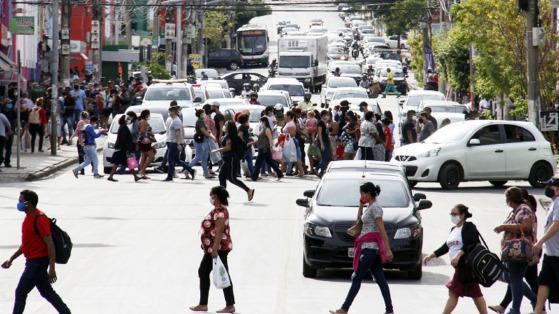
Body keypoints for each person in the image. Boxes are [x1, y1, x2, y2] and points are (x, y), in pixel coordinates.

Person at [1, 190, 72, 314]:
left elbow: (50, 244)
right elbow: (27, 244)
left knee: (21, 291)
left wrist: (52, 268)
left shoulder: (39, 218)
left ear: (28, 203)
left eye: (21, 201)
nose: (19, 203)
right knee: (47, 292)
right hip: (32, 261)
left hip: (37, 263)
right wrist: (12, 258)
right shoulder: (28, 217)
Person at [330, 182, 394, 314]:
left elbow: (381, 230)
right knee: (381, 280)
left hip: (370, 249)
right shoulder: (370, 207)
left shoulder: (376, 208)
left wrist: (387, 249)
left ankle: (344, 308)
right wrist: (360, 204)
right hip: (368, 248)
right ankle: (390, 310)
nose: (361, 196)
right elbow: (359, 221)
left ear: (368, 194)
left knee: (357, 277)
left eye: (362, 193)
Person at [424, 204, 488, 314]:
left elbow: (471, 244)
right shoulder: (454, 229)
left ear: (462, 215)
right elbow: (446, 246)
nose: (452, 216)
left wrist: (458, 255)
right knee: (474, 293)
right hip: (460, 267)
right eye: (451, 214)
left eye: (455, 214)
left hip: (467, 266)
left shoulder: (468, 227)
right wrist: (432, 255)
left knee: (455, 292)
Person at [190, 186, 236, 314]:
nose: (211, 199)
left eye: (213, 196)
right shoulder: (217, 210)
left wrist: (215, 247)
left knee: (221, 274)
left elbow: (220, 230)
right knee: (204, 272)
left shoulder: (220, 211)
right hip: (212, 249)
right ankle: (203, 304)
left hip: (218, 249)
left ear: (218, 197)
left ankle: (229, 305)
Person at [494, 187, 537, 314]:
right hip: (512, 252)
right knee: (513, 278)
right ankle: (534, 300)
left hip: (519, 251)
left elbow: (526, 228)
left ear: (510, 199)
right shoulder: (516, 210)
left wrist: (503, 227)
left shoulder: (523, 209)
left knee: (515, 279)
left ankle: (515, 309)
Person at [533, 179, 559, 314]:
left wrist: (540, 242)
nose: (548, 188)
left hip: (558, 254)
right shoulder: (554, 202)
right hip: (551, 253)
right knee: (544, 281)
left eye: (551, 186)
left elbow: (556, 225)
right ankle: (538, 310)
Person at [213, 121, 255, 201]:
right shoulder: (229, 136)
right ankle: (223, 196)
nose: (224, 126)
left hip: (231, 159)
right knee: (221, 176)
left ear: (229, 127)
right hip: (228, 159)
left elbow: (228, 148)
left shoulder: (230, 137)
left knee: (232, 178)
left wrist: (216, 150)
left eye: (225, 125)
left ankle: (248, 190)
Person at [164, 102, 195, 182]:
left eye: (170, 112)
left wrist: (178, 144)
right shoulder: (175, 120)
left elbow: (178, 133)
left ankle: (169, 176)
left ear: (173, 112)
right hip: (173, 142)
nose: (169, 113)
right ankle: (191, 170)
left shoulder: (176, 121)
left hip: (174, 143)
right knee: (177, 160)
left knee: (170, 159)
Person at [107, 115, 141, 182]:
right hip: (122, 149)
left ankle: (135, 176)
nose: (129, 120)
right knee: (122, 162)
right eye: (128, 119)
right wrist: (128, 148)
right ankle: (111, 176)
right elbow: (124, 139)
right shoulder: (123, 128)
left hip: (123, 148)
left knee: (129, 162)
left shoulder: (123, 127)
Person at [251, 117, 283, 181]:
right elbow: (260, 139)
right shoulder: (263, 129)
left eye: (261, 122)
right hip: (262, 148)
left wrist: (271, 148)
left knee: (258, 163)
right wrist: (253, 142)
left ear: (264, 122)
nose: (260, 123)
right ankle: (279, 173)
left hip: (264, 149)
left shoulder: (267, 130)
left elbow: (270, 139)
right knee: (270, 162)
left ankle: (254, 177)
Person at [189, 109, 216, 179]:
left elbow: (206, 131)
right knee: (198, 157)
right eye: (203, 113)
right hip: (201, 141)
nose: (204, 114)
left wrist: (210, 135)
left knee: (205, 158)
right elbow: (204, 131)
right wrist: (212, 137)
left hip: (204, 141)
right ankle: (187, 169)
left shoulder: (202, 121)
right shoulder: (200, 122)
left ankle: (206, 173)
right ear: (201, 114)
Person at [283, 111, 305, 177]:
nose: (284, 116)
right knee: (294, 156)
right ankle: (291, 171)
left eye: (285, 115)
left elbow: (292, 134)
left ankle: (301, 171)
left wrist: (285, 135)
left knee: (296, 157)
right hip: (291, 141)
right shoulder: (289, 123)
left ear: (289, 116)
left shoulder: (290, 124)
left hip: (291, 142)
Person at [138, 110, 156, 179]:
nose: (149, 116)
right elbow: (142, 132)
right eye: (148, 114)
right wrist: (148, 133)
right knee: (152, 157)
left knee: (143, 156)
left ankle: (142, 173)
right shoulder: (143, 122)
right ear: (146, 115)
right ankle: (142, 171)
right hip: (145, 142)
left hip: (143, 142)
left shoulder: (142, 121)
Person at [73, 111, 90, 175]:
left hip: (81, 141)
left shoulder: (81, 122)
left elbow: (76, 131)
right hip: (87, 141)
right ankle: (94, 169)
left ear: (81, 116)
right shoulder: (88, 122)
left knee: (81, 156)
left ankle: (82, 170)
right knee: (90, 156)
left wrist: (71, 138)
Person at [316, 110, 332, 176]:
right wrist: (322, 144)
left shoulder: (325, 123)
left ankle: (321, 171)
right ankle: (317, 169)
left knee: (326, 157)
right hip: (322, 141)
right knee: (325, 156)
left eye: (328, 115)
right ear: (323, 115)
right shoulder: (320, 123)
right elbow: (319, 134)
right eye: (326, 115)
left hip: (326, 141)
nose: (327, 116)